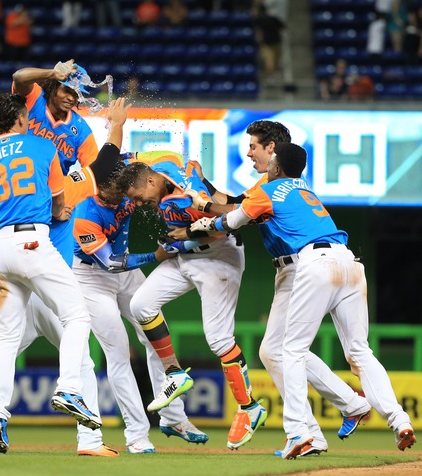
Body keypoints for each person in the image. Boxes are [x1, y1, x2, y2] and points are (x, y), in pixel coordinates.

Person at [0, 97, 132, 458]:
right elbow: (101, 166)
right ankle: (88, 437)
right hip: (42, 269)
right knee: (79, 346)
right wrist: (117, 126)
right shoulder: (54, 167)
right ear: (19, 119)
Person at [190, 142, 418, 458]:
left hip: (315, 263)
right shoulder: (304, 189)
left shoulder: (270, 189)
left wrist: (205, 218)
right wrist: (211, 208)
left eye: (272, 161)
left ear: (278, 167)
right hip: (349, 262)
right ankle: (400, 420)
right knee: (359, 351)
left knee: (292, 350)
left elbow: (234, 220)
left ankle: (299, 433)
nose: (268, 165)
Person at [0, 92, 102, 444]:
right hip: (31, 243)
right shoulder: (43, 147)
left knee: (5, 337)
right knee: (76, 316)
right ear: (21, 119)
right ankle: (68, 388)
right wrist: (58, 211)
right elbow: (58, 203)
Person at [116, 154, 268, 451]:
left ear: (151, 181)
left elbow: (226, 227)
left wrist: (183, 239)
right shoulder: (162, 167)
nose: (139, 203)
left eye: (139, 197)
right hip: (186, 258)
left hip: (218, 258)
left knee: (219, 339)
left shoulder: (184, 198)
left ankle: (250, 407)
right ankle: (174, 373)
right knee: (140, 304)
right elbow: (172, 159)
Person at [72, 160, 209, 453]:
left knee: (156, 335)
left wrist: (192, 175)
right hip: (92, 277)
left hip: (127, 273)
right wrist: (155, 256)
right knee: (119, 353)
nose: (125, 196)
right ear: (99, 184)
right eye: (116, 189)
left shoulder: (129, 182)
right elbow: (109, 263)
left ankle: (174, 418)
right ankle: (136, 435)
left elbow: (164, 164)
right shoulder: (85, 213)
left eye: (126, 188)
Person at [12, 59, 99, 265]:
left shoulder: (81, 129)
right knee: (17, 264)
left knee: (59, 268)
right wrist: (52, 73)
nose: (71, 98)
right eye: (67, 90)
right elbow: (19, 77)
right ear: (53, 87)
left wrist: (69, 198)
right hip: (18, 189)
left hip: (53, 196)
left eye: (76, 94)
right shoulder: (34, 99)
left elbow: (94, 171)